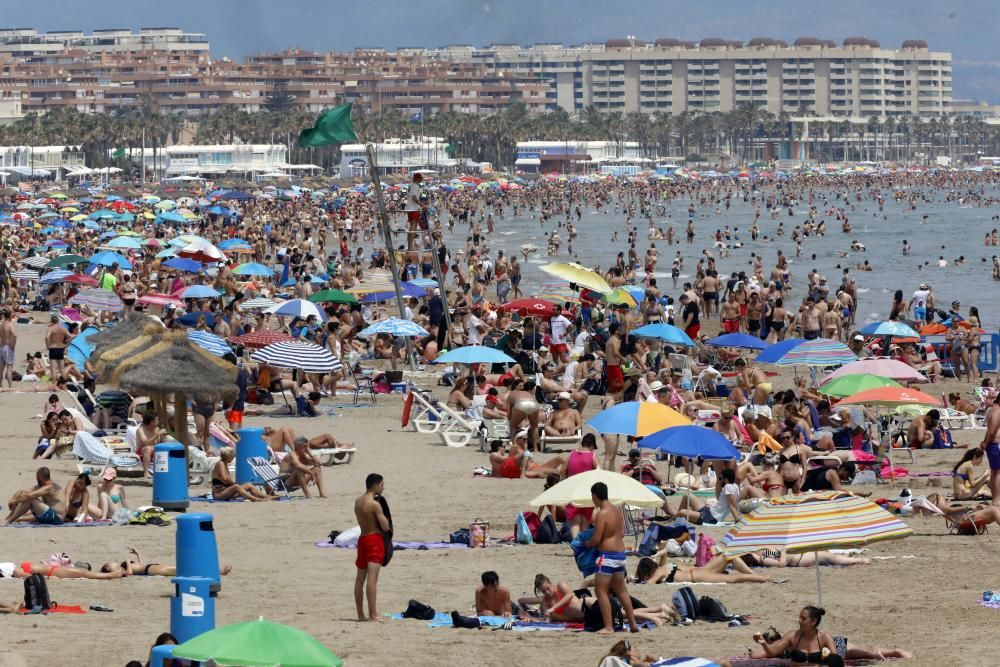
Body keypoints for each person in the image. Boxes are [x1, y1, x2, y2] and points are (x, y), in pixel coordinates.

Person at [749, 607, 911, 665]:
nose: (798, 621)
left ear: (813, 622)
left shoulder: (823, 636)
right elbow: (764, 653)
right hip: (837, 645)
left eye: (803, 618)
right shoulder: (790, 638)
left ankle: (893, 651)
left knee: (869, 653)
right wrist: (763, 643)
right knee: (867, 653)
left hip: (837, 646)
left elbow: (836, 661)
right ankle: (890, 651)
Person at [585, 481, 639, 634]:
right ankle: (633, 624)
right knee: (622, 591)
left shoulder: (602, 513)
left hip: (607, 557)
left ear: (595, 496)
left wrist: (587, 544)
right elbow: (621, 534)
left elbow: (596, 539)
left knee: (600, 591)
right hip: (620, 555)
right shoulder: (617, 511)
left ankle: (608, 627)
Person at [354, 473, 390, 622]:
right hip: (374, 540)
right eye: (381, 485)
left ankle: (360, 615)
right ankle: (373, 614)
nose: (383, 487)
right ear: (375, 485)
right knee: (372, 579)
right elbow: (385, 526)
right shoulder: (374, 504)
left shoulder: (358, 501)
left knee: (359, 579)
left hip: (362, 539)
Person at [634, 549, 770, 584]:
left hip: (698, 574)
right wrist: (658, 554)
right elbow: (664, 553)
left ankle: (759, 578)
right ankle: (758, 577)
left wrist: (638, 581)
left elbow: (650, 582)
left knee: (733, 576)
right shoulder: (664, 567)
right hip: (699, 571)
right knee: (728, 558)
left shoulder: (660, 571)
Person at [100, 546, 233, 577]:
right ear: (109, 569)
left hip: (150, 567)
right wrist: (128, 562)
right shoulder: (121, 570)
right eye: (108, 565)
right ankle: (218, 572)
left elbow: (140, 565)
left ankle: (215, 571)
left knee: (183, 568)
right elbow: (130, 574)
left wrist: (138, 554)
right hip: (150, 570)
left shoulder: (123, 565)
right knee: (182, 570)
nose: (110, 563)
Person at [981, 392, 1000, 508]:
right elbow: (992, 432)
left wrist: (984, 442)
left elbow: (989, 430)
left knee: (994, 472)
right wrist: (986, 444)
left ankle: (995, 498)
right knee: (998, 473)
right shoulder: (998, 411)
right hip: (995, 444)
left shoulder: (991, 410)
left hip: (992, 444)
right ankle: (996, 500)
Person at [45, 314, 71, 381]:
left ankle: (54, 384)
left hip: (53, 349)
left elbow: (47, 337)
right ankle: (64, 384)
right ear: (58, 321)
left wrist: (48, 346)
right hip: (61, 348)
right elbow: (70, 336)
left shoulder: (50, 328)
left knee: (53, 369)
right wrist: (66, 345)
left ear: (51, 321)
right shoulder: (63, 329)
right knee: (62, 369)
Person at [0, 309, 16, 389]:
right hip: (8, 347)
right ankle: (10, 387)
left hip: (1, 346)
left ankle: (0, 385)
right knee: (9, 368)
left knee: (1, 368)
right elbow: (14, 335)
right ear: (9, 316)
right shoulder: (10, 324)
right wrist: (13, 345)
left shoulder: (1, 324)